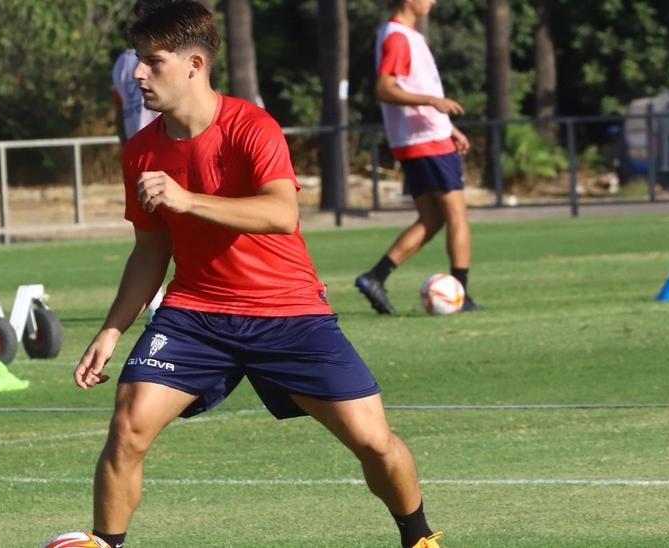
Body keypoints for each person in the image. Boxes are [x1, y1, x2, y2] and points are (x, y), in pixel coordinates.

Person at [72, 3, 444, 547]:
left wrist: (188, 200)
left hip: (288, 311)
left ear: (195, 64)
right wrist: (111, 330)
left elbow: (280, 214)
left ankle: (419, 537)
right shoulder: (141, 152)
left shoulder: (251, 127)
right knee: (128, 427)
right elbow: (151, 249)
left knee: (374, 441)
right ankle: (106, 543)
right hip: (195, 313)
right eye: (137, 60)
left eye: (152, 62)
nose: (137, 75)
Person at [355, 0, 480, 315]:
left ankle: (375, 277)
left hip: (420, 138)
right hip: (426, 141)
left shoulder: (402, 33)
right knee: (457, 216)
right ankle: (461, 295)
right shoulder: (398, 36)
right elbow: (385, 88)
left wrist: (447, 125)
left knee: (432, 218)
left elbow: (415, 85)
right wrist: (433, 102)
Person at [111, 0, 166, 144]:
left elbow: (120, 110)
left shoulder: (120, 64)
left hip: (137, 142)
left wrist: (125, 144)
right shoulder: (161, 57)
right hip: (158, 143)